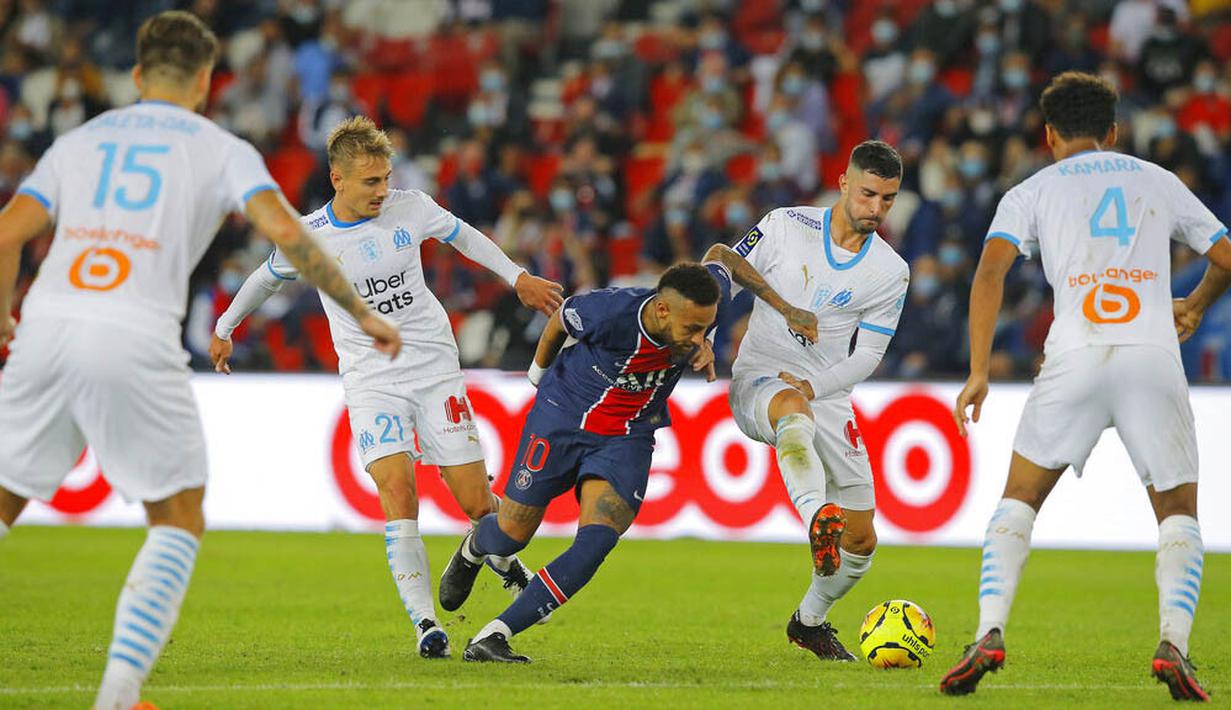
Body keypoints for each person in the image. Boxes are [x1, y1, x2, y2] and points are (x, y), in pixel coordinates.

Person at [0, 12, 399, 710]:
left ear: (134, 77)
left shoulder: (78, 140)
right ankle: (119, 697)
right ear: (206, 82)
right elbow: (287, 233)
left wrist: (4, 317)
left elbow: (8, 233)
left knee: (4, 501)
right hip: (132, 332)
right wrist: (362, 311)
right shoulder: (221, 148)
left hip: (45, 325)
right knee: (179, 516)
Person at [210, 115, 564, 659]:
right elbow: (263, 277)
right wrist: (225, 328)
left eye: (385, 178)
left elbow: (464, 236)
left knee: (477, 504)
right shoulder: (310, 237)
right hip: (371, 378)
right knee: (398, 490)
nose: (383, 190)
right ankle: (427, 625)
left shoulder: (411, 207)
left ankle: (480, 550)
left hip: (433, 368)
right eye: (370, 181)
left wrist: (516, 276)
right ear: (338, 179)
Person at [941, 71, 1231, 701]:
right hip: (1151, 354)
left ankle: (989, 631)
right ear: (1114, 132)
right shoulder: (1157, 180)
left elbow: (989, 274)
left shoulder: (1030, 190)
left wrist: (981, 370)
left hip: (1072, 354)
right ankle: (1172, 645)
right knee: (1177, 514)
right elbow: (1227, 256)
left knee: (1018, 499)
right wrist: (1198, 303)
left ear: (1048, 135)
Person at [438, 261, 818, 663]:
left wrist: (786, 308)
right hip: (561, 420)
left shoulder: (699, 305)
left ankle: (493, 635)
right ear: (662, 311)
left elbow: (722, 254)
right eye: (692, 330)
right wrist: (536, 375)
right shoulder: (610, 312)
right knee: (511, 533)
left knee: (597, 541)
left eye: (706, 328)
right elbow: (560, 322)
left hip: (627, 436)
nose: (699, 339)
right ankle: (477, 547)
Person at [725, 140, 910, 661]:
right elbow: (724, 273)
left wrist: (814, 386)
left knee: (860, 540)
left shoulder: (891, 270)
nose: (876, 209)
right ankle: (813, 515)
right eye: (869, 194)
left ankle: (809, 621)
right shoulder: (785, 225)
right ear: (844, 181)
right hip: (761, 379)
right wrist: (698, 333)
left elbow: (869, 353)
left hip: (825, 394)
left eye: (889, 200)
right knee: (791, 408)